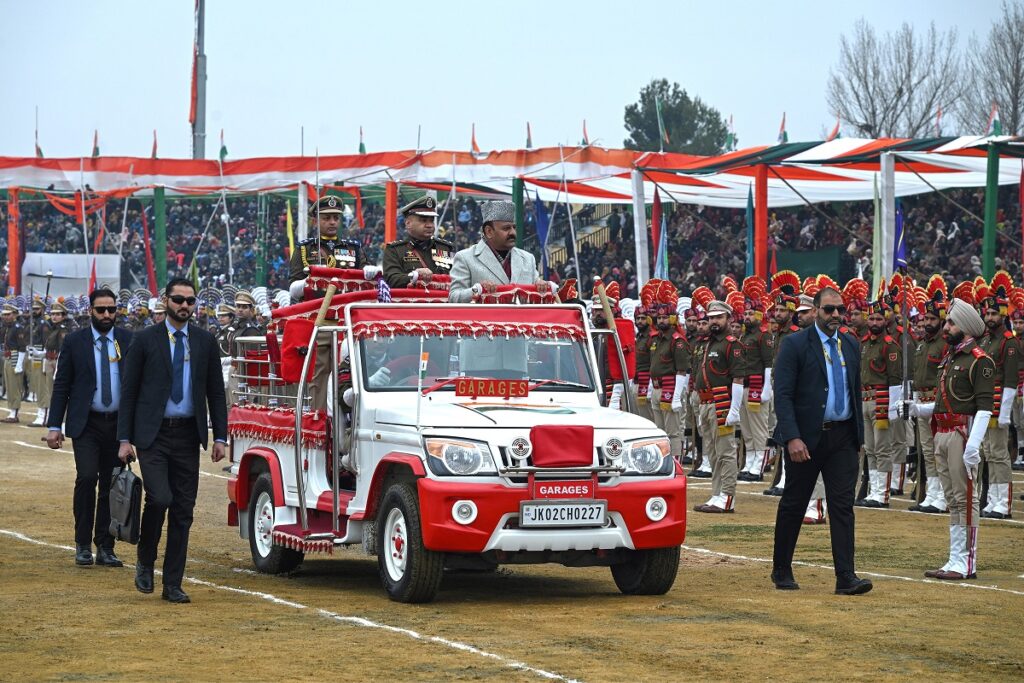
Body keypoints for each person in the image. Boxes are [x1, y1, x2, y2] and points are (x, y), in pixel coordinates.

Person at [117, 277, 228, 604]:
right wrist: (124, 439)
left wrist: (219, 436)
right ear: (166, 301)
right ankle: (145, 557)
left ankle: (173, 584)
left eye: (190, 301)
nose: (184, 306)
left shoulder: (205, 341)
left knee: (183, 510)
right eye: (178, 299)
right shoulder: (145, 339)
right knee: (160, 498)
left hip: (187, 436)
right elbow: (129, 391)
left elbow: (216, 393)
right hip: (153, 435)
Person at [770, 287, 872, 595]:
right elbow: (783, 395)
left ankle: (846, 576)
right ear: (815, 311)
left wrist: (858, 438)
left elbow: (854, 391)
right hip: (806, 437)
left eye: (840, 309)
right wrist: (792, 437)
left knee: (842, 506)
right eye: (829, 310)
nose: (836, 315)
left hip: (842, 436)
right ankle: (781, 568)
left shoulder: (851, 344)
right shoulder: (795, 344)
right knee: (794, 503)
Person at [46, 288, 134, 568]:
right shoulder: (74, 341)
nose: (107, 315)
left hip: (118, 426)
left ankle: (105, 547)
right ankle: (82, 543)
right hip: (86, 423)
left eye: (111, 309)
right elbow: (62, 386)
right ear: (90, 311)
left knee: (112, 484)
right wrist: (54, 425)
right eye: (101, 310)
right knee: (86, 479)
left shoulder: (128, 340)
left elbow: (136, 387)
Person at [916, 298, 994, 580]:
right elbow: (942, 402)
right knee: (952, 499)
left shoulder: (980, 361)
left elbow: (985, 407)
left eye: (951, 322)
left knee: (966, 498)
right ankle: (955, 558)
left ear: (967, 327)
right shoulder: (951, 358)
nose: (946, 327)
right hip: (943, 432)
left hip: (962, 434)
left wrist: (973, 445)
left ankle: (966, 562)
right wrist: (917, 409)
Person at [691, 297, 745, 513]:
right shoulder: (706, 343)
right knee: (712, 452)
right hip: (704, 401)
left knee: (725, 451)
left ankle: (727, 496)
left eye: (718, 317)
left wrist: (734, 410)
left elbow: (739, 379)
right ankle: (716, 493)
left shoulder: (732, 344)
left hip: (722, 401)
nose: (714, 321)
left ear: (727, 319)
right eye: (711, 317)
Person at [448, 200, 549, 302]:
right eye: (506, 228)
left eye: (514, 227)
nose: (513, 232)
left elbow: (536, 289)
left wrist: (541, 286)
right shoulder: (465, 258)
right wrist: (477, 290)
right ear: (489, 232)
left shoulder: (528, 258)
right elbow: (454, 297)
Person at [975, 280, 1017, 519]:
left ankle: (1003, 502)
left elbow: (1011, 380)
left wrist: (1004, 414)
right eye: (986, 313)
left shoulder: (1008, 341)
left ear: (1002, 314)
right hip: (985, 403)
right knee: (989, 452)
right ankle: (992, 499)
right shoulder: (986, 339)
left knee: (1000, 453)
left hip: (999, 402)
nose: (989, 317)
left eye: (993, 313)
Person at [855, 299, 902, 508]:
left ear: (886, 320)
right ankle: (874, 491)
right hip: (864, 399)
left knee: (883, 448)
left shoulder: (890, 345)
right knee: (870, 448)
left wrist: (893, 408)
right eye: (872, 318)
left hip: (881, 400)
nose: (874, 322)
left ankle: (882, 494)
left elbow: (895, 380)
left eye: (879, 318)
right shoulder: (863, 343)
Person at [382, 196, 454, 289]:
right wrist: (415, 275)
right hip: (411, 302)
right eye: (423, 221)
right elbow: (391, 279)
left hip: (440, 302)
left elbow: (455, 278)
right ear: (408, 224)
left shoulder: (444, 248)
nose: (429, 225)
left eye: (431, 221)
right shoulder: (395, 250)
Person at [288, 195, 363, 285]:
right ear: (315, 221)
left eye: (336, 218)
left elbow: (366, 276)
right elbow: (293, 284)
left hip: (346, 297)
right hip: (317, 298)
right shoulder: (305, 248)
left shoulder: (353, 248)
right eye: (326, 218)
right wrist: (307, 283)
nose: (332, 222)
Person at [39, 300, 72, 429]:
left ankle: (63, 422)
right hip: (49, 360)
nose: (54, 316)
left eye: (58, 314)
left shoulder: (63, 330)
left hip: (57, 362)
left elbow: (62, 351)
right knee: (49, 391)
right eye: (52, 314)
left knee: (60, 393)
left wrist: (59, 367)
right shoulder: (52, 328)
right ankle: (51, 418)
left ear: (64, 316)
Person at [2, 303, 28, 423]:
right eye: (4, 315)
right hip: (7, 357)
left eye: (8, 314)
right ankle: (11, 410)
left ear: (14, 315)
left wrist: (18, 364)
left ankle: (14, 412)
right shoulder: (7, 327)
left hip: (15, 357)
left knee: (15, 386)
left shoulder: (18, 327)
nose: (6, 317)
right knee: (9, 385)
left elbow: (22, 347)